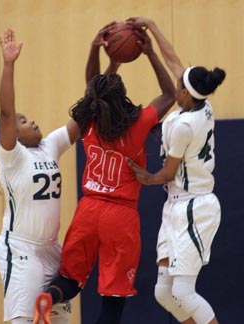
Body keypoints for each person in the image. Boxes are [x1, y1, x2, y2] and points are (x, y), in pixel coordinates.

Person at [34, 22, 176, 324]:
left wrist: (96, 50)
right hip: (120, 216)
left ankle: (49, 297)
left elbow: (92, 88)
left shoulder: (90, 119)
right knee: (113, 298)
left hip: (88, 210)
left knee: (70, 277)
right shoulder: (137, 124)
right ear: (122, 93)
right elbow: (169, 94)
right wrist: (149, 53)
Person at [126, 16, 224, 324]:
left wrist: (145, 177)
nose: (176, 82)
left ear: (184, 93)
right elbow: (173, 61)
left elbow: (167, 174)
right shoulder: (199, 102)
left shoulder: (184, 125)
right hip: (176, 204)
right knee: (163, 292)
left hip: (195, 206)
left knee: (182, 291)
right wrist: (152, 30)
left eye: (179, 84)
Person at [0, 27, 78, 324]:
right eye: (24, 121)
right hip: (21, 251)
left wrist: (110, 65)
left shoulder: (48, 147)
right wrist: (9, 64)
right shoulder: (12, 156)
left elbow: (80, 120)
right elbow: (6, 112)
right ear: (12, 133)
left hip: (51, 249)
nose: (33, 122)